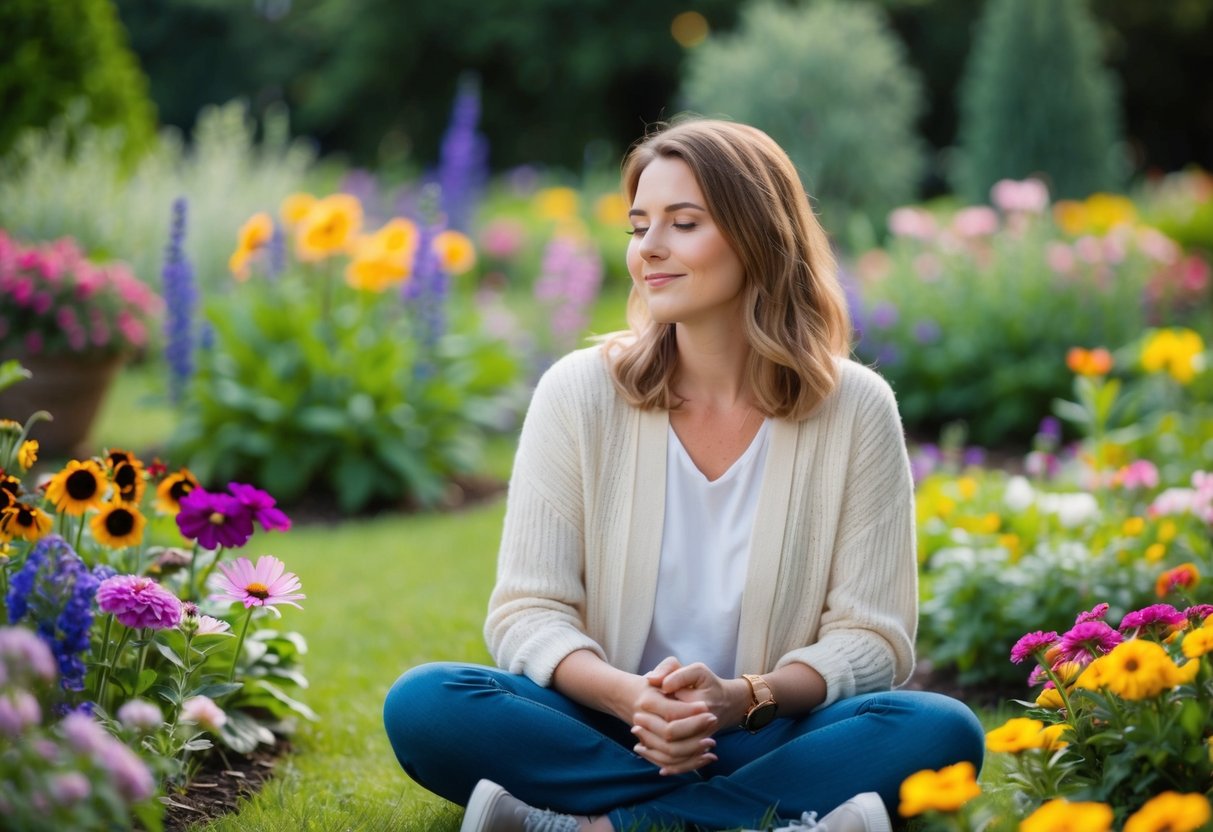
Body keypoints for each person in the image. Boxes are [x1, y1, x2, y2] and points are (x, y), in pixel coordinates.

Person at [383, 118, 985, 832]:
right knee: (425, 703)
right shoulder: (578, 392)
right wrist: (629, 699)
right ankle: (771, 819)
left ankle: (593, 827)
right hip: (607, 728)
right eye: (640, 227)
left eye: (683, 223)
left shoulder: (855, 409)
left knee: (941, 731)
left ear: (758, 235)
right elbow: (526, 613)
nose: (649, 250)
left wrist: (741, 697)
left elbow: (873, 639)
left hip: (768, 731)